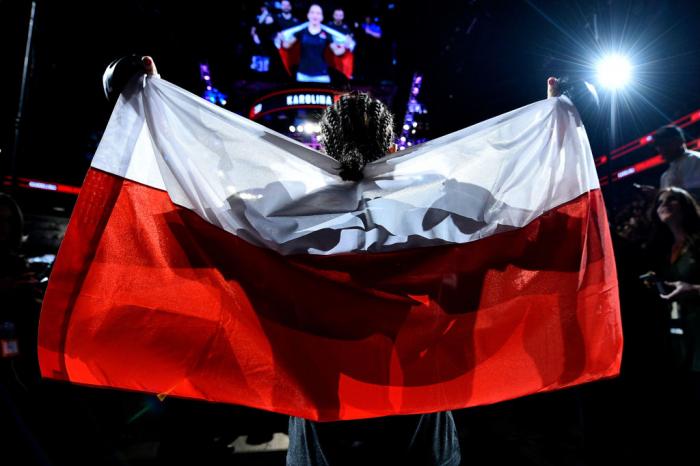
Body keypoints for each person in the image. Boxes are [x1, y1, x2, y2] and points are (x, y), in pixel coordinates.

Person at [140, 56, 562, 465]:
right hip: (418, 420)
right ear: (394, 145)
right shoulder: (441, 203)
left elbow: (195, 215)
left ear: (324, 146)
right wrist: (558, 127)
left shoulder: (282, 212)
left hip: (323, 427)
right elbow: (531, 225)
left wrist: (152, 108)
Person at [645, 186, 700, 464]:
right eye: (659, 202)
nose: (662, 205)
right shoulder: (665, 250)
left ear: (685, 205)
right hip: (680, 334)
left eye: (670, 200)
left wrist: (693, 288)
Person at [280, 4, 348, 83]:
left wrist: (345, 46)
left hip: (322, 76)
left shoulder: (326, 33)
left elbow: (336, 51)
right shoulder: (302, 32)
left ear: (322, 17)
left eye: (318, 13)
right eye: (312, 12)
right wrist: (281, 38)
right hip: (302, 75)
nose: (315, 15)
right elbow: (287, 46)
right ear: (308, 15)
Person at [656, 125, 700, 198]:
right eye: (657, 146)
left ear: (678, 141)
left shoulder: (695, 160)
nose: (660, 150)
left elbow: (696, 195)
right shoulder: (665, 176)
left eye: (663, 144)